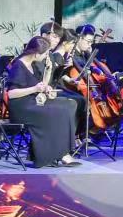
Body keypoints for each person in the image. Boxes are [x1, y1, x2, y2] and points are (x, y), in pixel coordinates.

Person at [5, 36, 81, 168]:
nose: (47, 56)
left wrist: (48, 73)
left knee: (69, 104)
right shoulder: (18, 66)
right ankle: (59, 154)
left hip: (33, 101)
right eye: (45, 53)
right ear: (36, 53)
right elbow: (11, 94)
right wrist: (34, 89)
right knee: (59, 111)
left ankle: (62, 151)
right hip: (22, 107)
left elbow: (41, 84)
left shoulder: (32, 64)